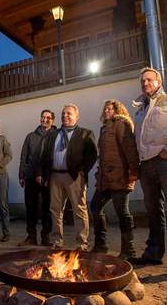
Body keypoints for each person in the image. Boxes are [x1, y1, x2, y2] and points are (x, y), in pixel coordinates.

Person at [36, 104, 97, 251]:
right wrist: (42, 174)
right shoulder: (53, 134)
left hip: (74, 177)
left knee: (79, 210)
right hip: (55, 176)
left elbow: (92, 155)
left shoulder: (85, 133)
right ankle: (57, 241)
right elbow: (44, 156)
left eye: (69, 114)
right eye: (63, 114)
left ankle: (81, 243)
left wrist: (82, 171)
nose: (65, 116)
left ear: (77, 116)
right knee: (55, 210)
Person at [90, 100, 139, 261]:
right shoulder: (105, 127)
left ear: (118, 110)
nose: (106, 111)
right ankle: (101, 245)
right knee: (95, 207)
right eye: (104, 108)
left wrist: (133, 171)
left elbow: (129, 148)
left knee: (122, 213)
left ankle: (129, 250)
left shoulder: (121, 124)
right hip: (105, 179)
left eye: (110, 108)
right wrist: (99, 174)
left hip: (120, 176)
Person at [131, 67, 167, 265]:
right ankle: (153, 254)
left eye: (150, 80)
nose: (146, 83)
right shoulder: (140, 109)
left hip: (164, 161)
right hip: (146, 165)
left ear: (159, 82)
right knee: (153, 211)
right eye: (143, 81)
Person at [18, 110, 57, 246]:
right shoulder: (31, 136)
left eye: (48, 118)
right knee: (31, 208)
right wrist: (21, 175)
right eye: (43, 117)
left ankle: (46, 237)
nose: (45, 120)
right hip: (30, 177)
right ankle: (31, 236)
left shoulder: (55, 136)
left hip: (48, 178)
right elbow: (24, 156)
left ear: (52, 120)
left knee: (47, 208)